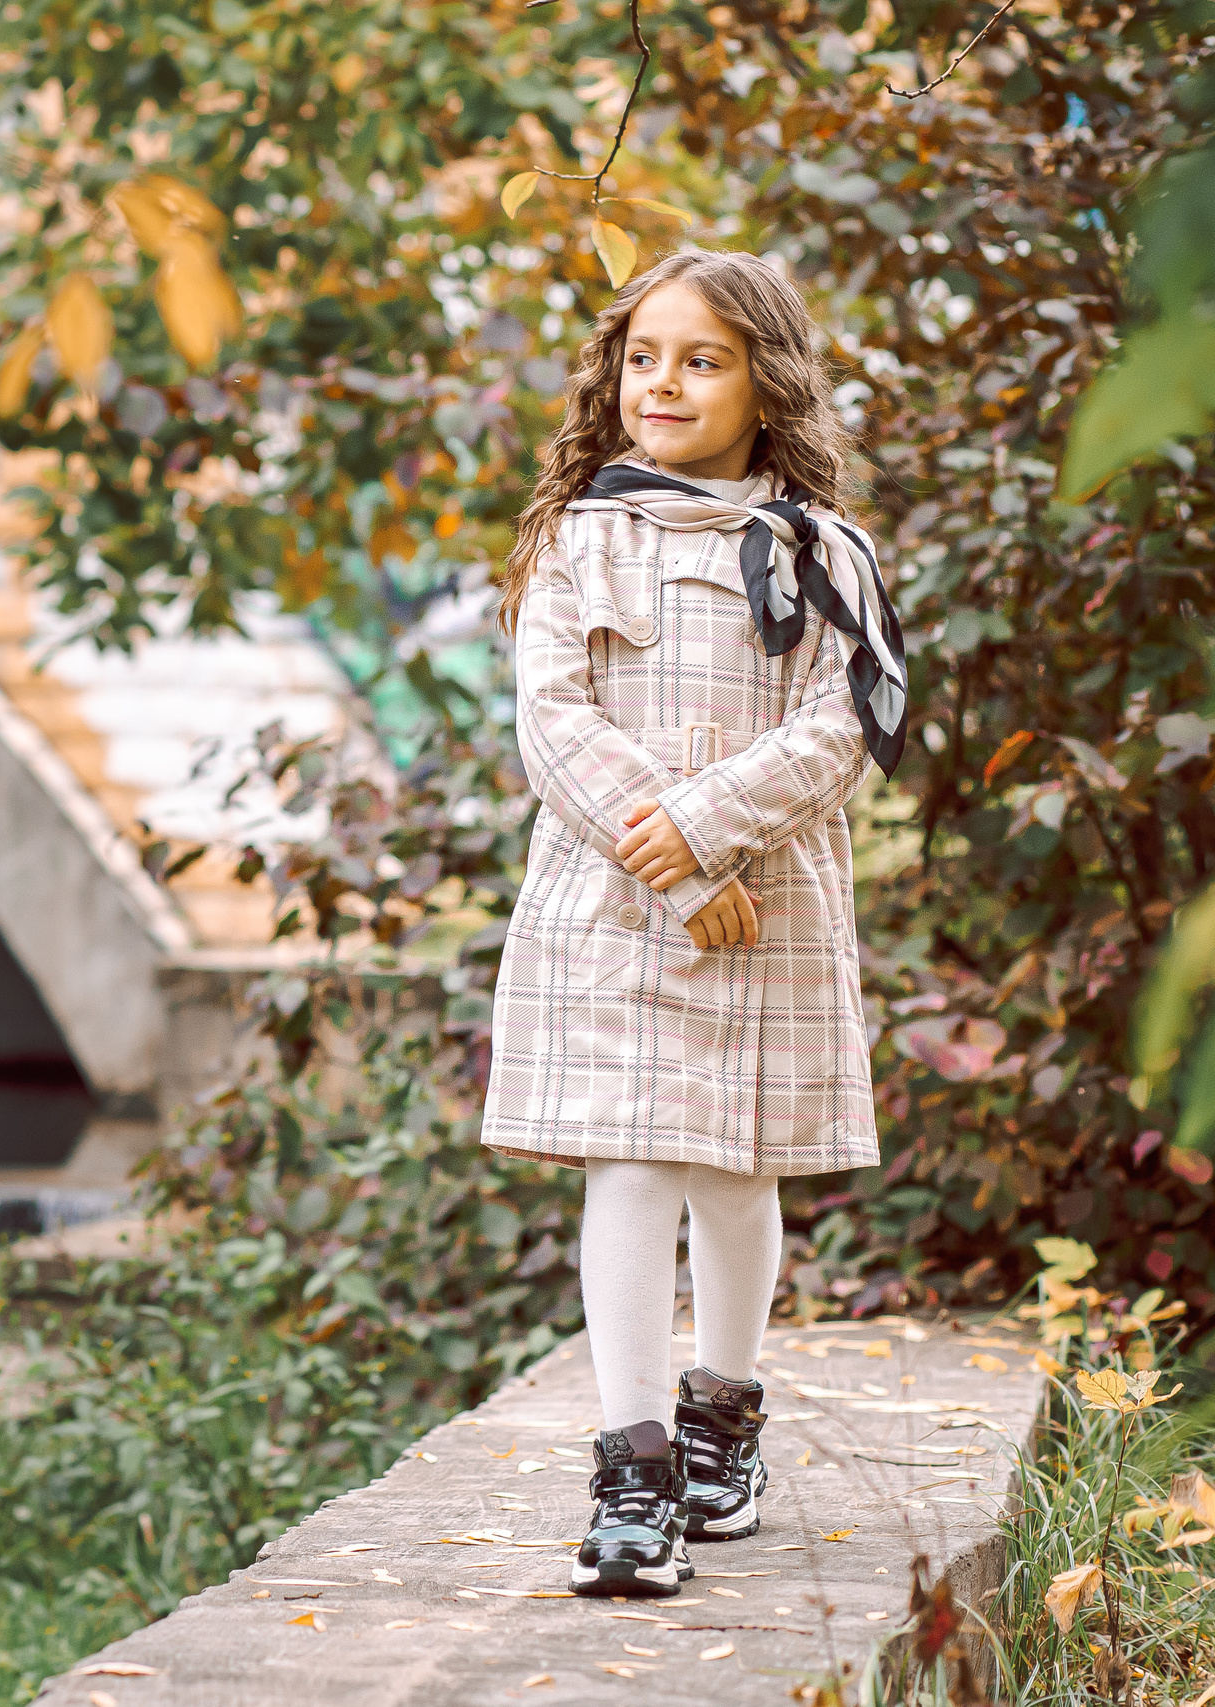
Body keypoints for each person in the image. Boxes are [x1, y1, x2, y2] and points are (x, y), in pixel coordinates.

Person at [482, 248, 907, 1598]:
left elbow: (842, 730)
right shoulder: (577, 537)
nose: (662, 382)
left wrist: (714, 829)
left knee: (735, 1172)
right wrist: (668, 859)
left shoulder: (824, 553)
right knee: (629, 1163)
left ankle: (726, 1412)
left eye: (702, 359)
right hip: (615, 907)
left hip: (764, 903)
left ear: (765, 384)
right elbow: (555, 723)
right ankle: (634, 1468)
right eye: (644, 355)